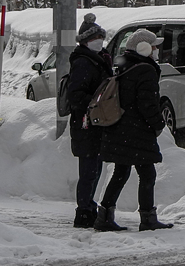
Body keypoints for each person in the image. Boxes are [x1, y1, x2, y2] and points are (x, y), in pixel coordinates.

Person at [94, 28, 174, 232]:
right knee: (147, 174)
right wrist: (157, 125)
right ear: (144, 48)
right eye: (155, 46)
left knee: (121, 172)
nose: (157, 50)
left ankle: (104, 216)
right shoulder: (145, 70)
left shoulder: (123, 65)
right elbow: (147, 103)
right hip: (137, 131)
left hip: (120, 128)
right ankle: (147, 218)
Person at [67, 13, 112, 228]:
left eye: (101, 38)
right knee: (89, 171)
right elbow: (76, 95)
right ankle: (84, 211)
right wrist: (97, 102)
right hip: (85, 124)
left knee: (94, 169)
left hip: (94, 123)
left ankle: (88, 208)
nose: (99, 42)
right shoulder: (84, 63)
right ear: (85, 41)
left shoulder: (98, 60)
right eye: (95, 38)